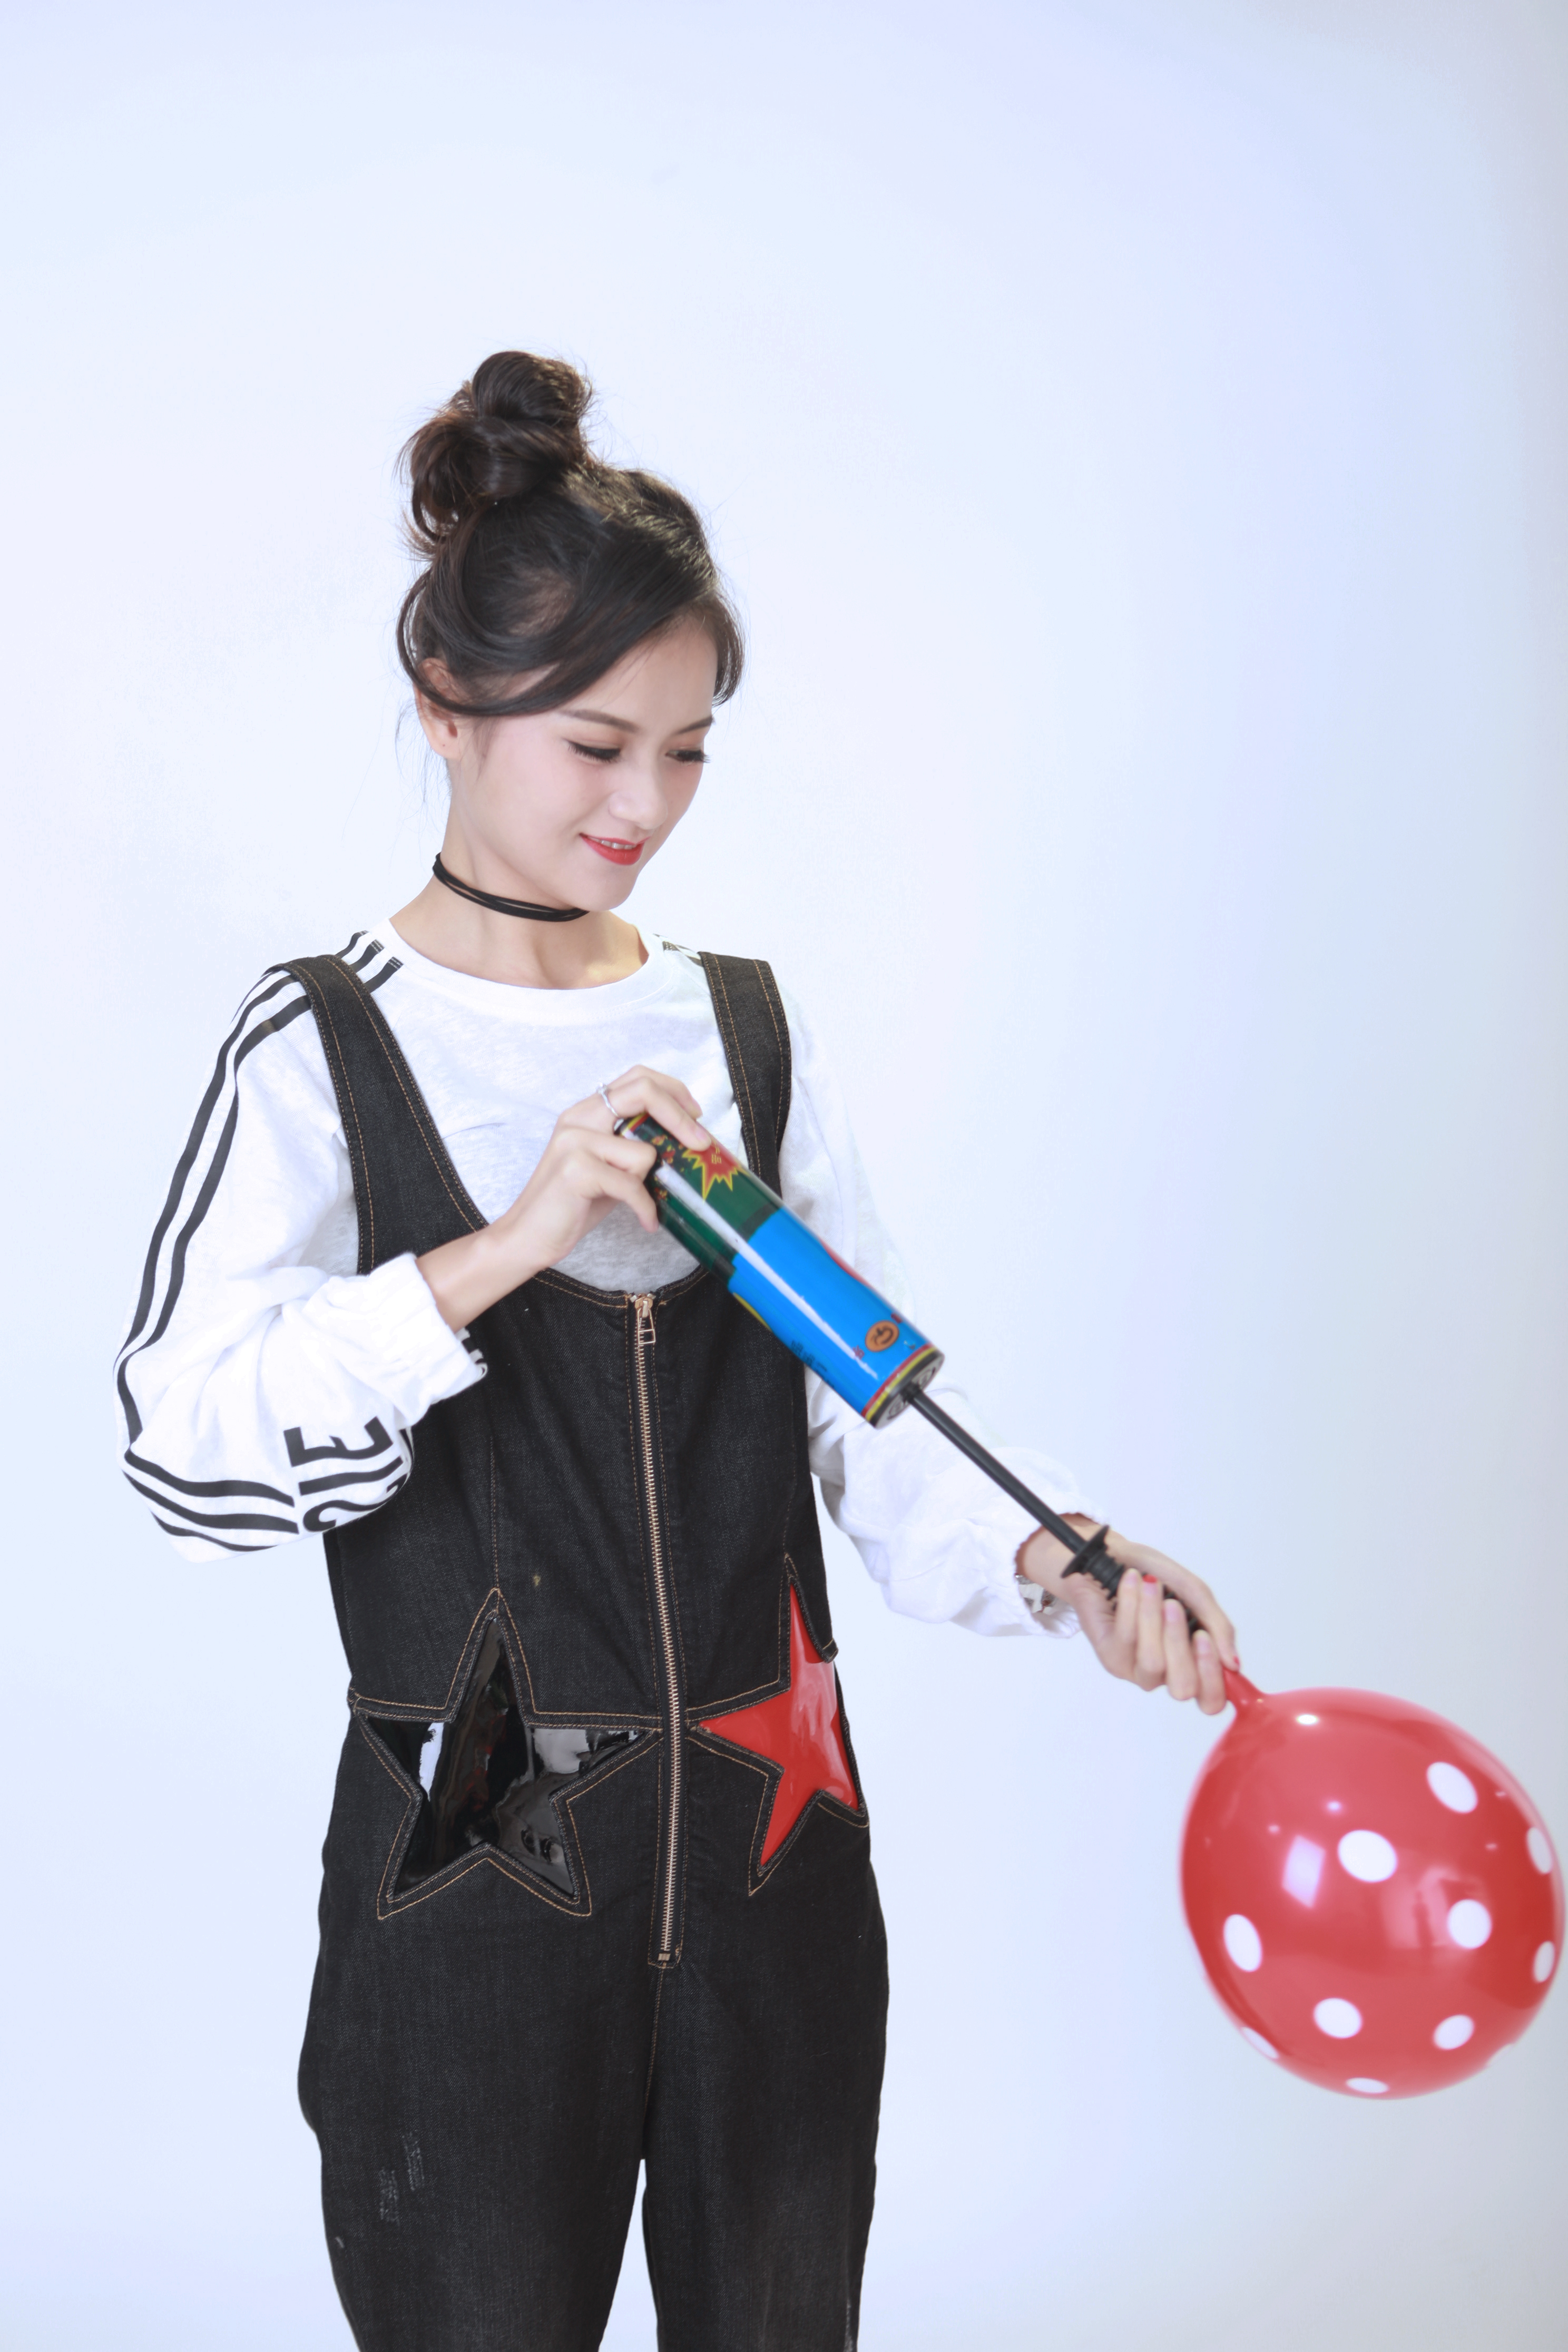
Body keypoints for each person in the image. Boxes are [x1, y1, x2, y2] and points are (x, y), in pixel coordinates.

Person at [114, 350, 1237, 2352]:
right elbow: (183, 1449)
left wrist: (1066, 1562)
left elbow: (869, 1412)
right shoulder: (322, 1046)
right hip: (470, 1892)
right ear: (448, 707)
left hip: (775, 1871)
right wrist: (504, 1250)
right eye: (594, 745)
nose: (645, 808)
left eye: (691, 751)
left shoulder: (744, 1030)